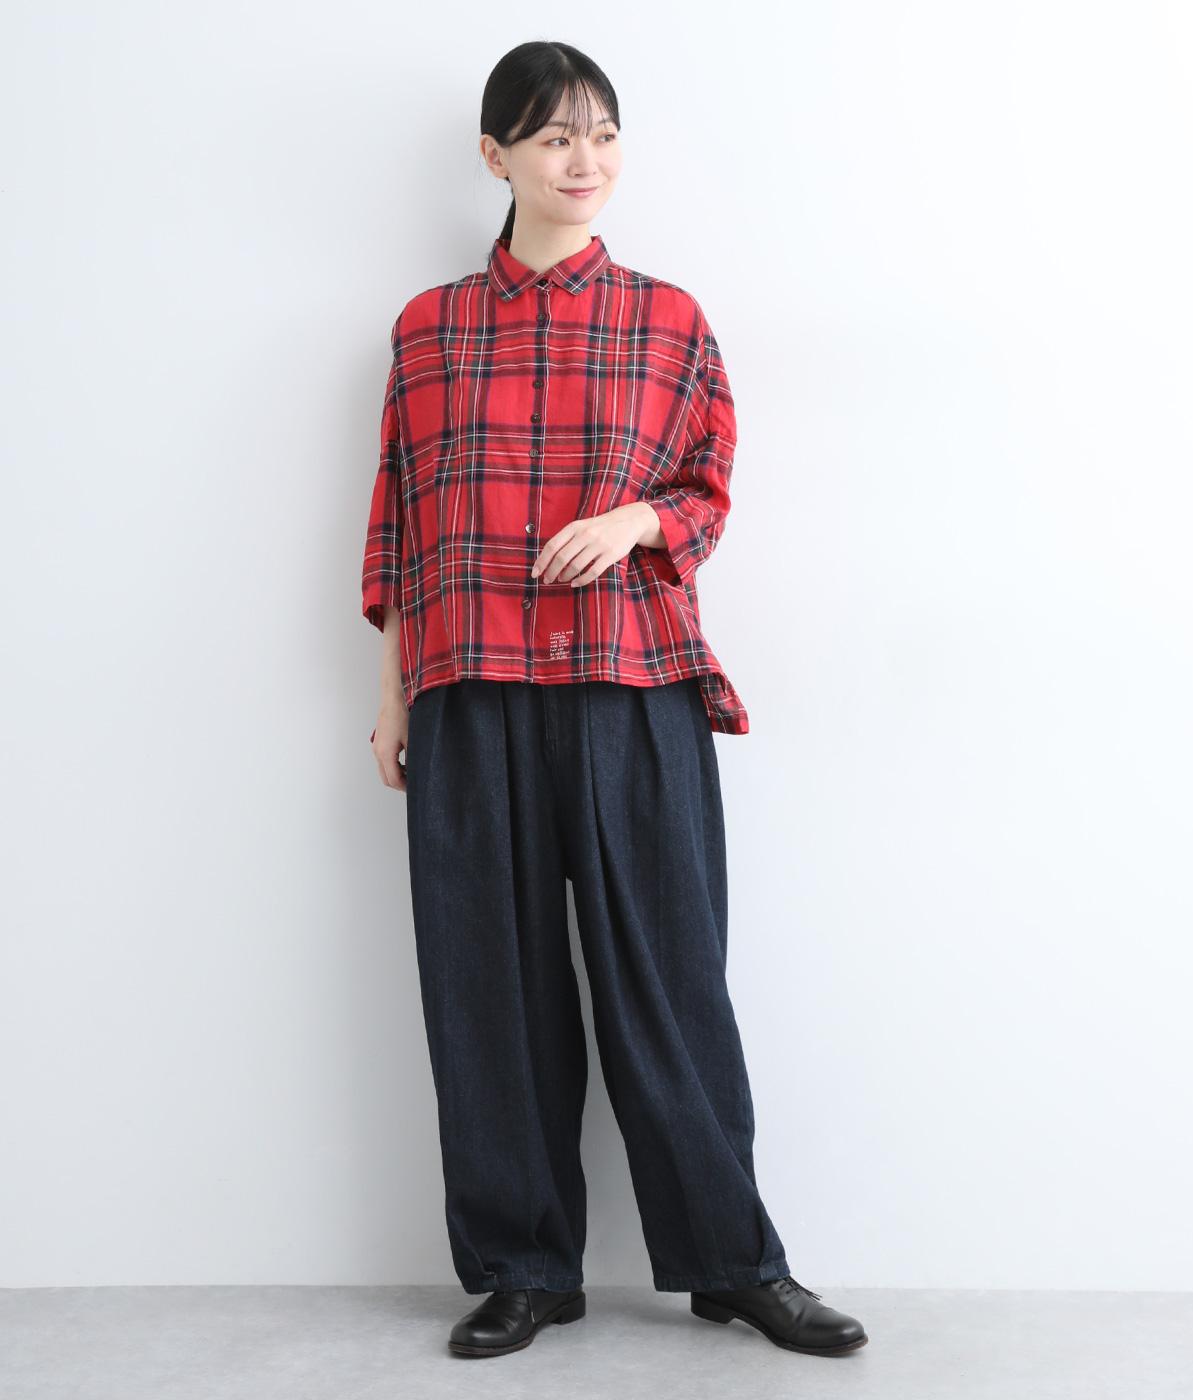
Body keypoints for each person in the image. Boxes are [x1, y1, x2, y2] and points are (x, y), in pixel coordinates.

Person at [361, 39, 868, 1362]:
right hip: (470, 688)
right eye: (552, 137)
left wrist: (634, 519)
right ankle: (525, 1268)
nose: (582, 160)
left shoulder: (668, 320)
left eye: (601, 133)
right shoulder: (427, 329)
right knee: (488, 984)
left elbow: (706, 490)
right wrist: (393, 697)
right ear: (496, 156)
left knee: (669, 977)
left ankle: (734, 1263)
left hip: (629, 687)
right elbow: (402, 527)